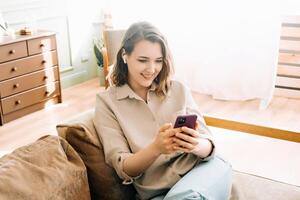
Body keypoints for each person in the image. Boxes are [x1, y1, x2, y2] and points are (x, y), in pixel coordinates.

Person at [93, 21, 232, 200]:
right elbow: (124, 168)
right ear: (125, 55)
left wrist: (195, 144)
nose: (152, 70)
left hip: (203, 171)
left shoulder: (178, 89)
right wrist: (156, 148)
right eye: (143, 60)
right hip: (159, 192)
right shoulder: (107, 103)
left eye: (158, 61)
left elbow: (209, 147)